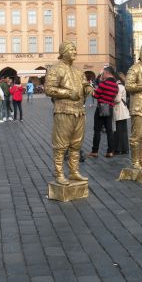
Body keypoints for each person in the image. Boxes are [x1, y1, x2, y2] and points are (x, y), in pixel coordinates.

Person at [44, 42, 92, 185]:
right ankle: (59, 174)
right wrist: (68, 93)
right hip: (63, 111)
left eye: (75, 49)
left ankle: (74, 172)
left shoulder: (78, 71)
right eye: (71, 49)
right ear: (63, 52)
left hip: (79, 111)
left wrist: (88, 88)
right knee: (61, 145)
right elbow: (49, 89)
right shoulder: (55, 69)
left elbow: (85, 84)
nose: (74, 52)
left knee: (76, 144)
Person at [89, 66, 119, 158]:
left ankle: (95, 151)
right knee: (109, 130)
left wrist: (91, 90)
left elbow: (96, 95)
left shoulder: (104, 84)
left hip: (101, 107)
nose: (103, 75)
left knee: (97, 130)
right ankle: (110, 151)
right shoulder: (116, 85)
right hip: (110, 108)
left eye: (103, 74)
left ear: (107, 73)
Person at [113, 72, 130, 155]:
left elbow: (117, 99)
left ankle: (118, 148)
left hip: (119, 110)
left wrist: (110, 99)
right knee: (123, 131)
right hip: (123, 111)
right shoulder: (122, 86)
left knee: (119, 130)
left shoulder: (118, 87)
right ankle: (125, 148)